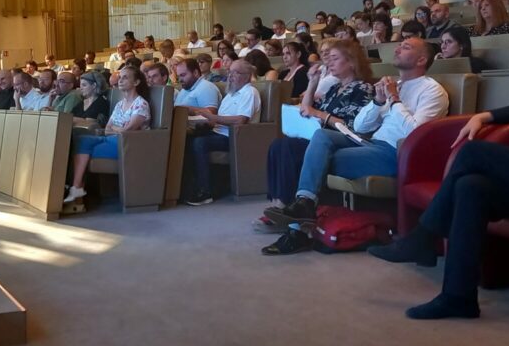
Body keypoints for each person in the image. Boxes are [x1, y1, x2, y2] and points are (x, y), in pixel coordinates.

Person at [369, 52, 509, 319]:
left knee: (474, 153)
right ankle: (459, 297)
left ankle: (422, 237)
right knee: (471, 186)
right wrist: (484, 116)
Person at [266, 38, 449, 226]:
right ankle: (304, 203)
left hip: (395, 153)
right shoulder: (396, 84)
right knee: (321, 137)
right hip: (370, 144)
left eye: (406, 47)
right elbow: (361, 127)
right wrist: (377, 102)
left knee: (309, 157)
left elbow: (415, 133)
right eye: (399, 45)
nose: (397, 49)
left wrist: (394, 99)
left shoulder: (431, 90)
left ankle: (299, 222)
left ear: (421, 60)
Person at [261, 40, 375, 233]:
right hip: (321, 136)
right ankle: (280, 204)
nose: (329, 63)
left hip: (342, 138)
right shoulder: (334, 89)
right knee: (278, 145)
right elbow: (307, 110)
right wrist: (313, 83)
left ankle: (297, 206)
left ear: (352, 62)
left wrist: (318, 114)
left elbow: (353, 125)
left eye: (335, 58)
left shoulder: (363, 88)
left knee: (289, 148)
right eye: (328, 58)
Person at [63, 67, 151, 212]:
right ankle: (77, 189)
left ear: (136, 82)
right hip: (111, 139)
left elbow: (128, 131)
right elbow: (108, 127)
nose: (120, 80)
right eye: (120, 77)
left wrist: (116, 128)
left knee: (84, 150)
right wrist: (117, 128)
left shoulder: (141, 104)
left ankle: (76, 194)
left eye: (125, 78)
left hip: (128, 144)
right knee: (81, 140)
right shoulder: (119, 104)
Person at [181, 61, 261, 206]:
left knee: (200, 143)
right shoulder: (231, 94)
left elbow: (240, 120)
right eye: (229, 72)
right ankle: (190, 187)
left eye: (235, 73)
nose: (230, 76)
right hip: (218, 132)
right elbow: (219, 119)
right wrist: (205, 120)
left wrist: (213, 117)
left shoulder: (249, 92)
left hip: (234, 138)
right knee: (187, 139)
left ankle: (205, 191)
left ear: (247, 76)